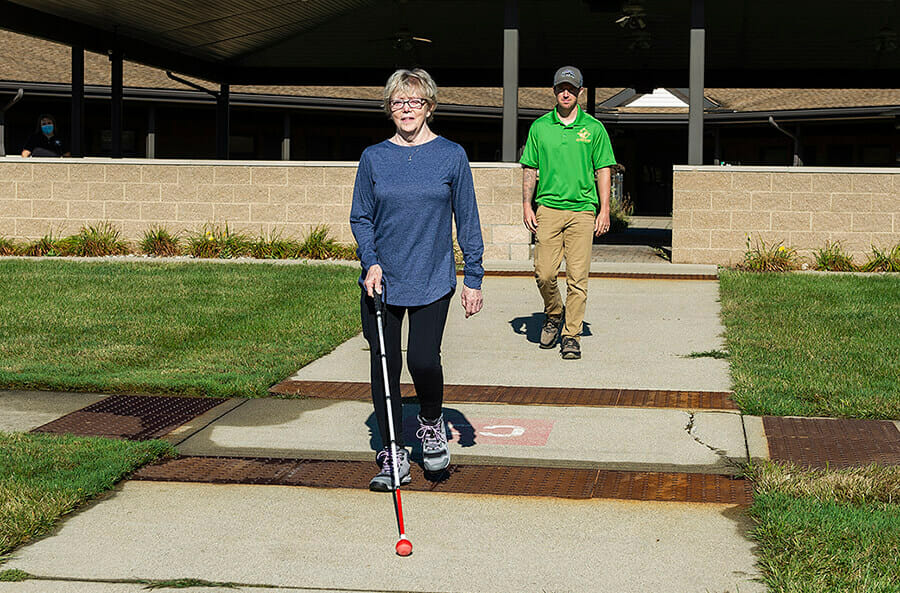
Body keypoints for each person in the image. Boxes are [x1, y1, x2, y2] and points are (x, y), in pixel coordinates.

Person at [350, 68, 484, 491]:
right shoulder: (374, 157)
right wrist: (369, 261)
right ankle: (392, 450)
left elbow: (468, 218)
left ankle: (430, 421)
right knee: (384, 367)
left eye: (414, 101)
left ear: (429, 105)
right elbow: (361, 217)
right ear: (389, 108)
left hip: (431, 278)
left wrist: (474, 276)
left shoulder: (451, 155)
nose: (406, 109)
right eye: (397, 102)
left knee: (423, 360)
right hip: (382, 282)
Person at [520, 66, 616, 360]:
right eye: (562, 87)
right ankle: (553, 313)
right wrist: (527, 204)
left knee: (577, 278)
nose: (566, 92)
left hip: (583, 212)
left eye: (572, 88)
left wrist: (605, 210)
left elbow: (603, 170)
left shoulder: (594, 129)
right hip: (547, 209)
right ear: (554, 91)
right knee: (544, 273)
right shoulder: (540, 127)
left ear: (580, 92)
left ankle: (571, 335)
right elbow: (530, 168)